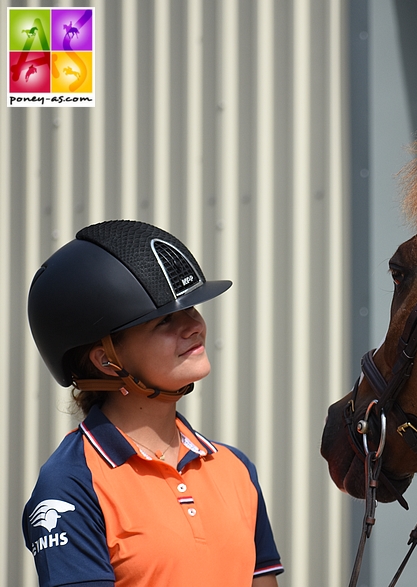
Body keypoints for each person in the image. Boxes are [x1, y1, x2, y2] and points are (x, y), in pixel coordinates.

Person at [22, 220, 283, 587]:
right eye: (165, 320)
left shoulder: (235, 468)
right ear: (106, 360)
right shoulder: (69, 484)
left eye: (192, 310)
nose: (194, 326)